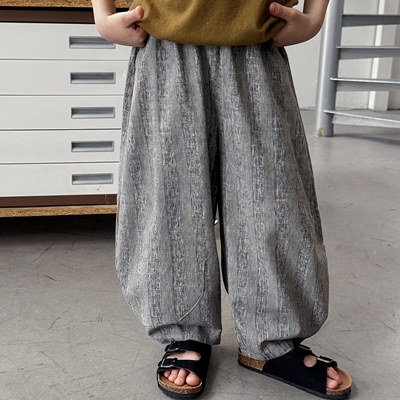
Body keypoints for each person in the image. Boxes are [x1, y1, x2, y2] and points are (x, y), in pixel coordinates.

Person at [91, 1, 352, 399]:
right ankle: (183, 331)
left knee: (272, 202)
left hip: (255, 36)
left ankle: (272, 338)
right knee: (171, 203)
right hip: (166, 37)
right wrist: (101, 12)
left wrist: (315, 17)